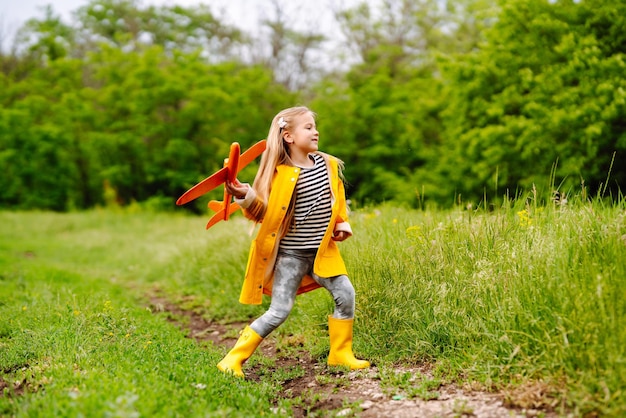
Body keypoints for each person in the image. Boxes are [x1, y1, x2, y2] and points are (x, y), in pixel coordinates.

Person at [217, 106, 370, 377]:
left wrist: (341, 224)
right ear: (288, 136)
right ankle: (233, 359)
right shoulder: (278, 174)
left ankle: (340, 353)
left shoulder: (328, 165)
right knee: (279, 310)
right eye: (308, 127)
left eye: (315, 126)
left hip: (323, 251)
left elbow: (336, 198)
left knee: (346, 294)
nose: (316, 131)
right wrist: (245, 195)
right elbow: (265, 214)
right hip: (291, 256)